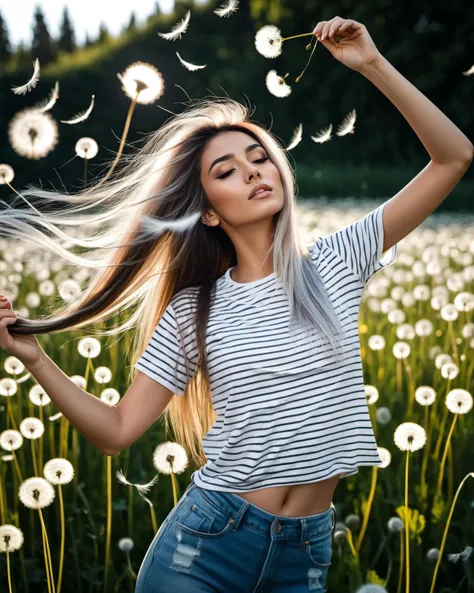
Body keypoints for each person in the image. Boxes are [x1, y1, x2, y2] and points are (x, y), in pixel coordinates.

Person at [1, 15, 472, 593]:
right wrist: (35, 358)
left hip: (306, 553)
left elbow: (453, 158)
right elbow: (117, 431)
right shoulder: (192, 309)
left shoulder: (336, 261)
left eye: (259, 158)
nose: (253, 172)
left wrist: (372, 64)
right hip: (204, 550)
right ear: (209, 211)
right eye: (227, 171)